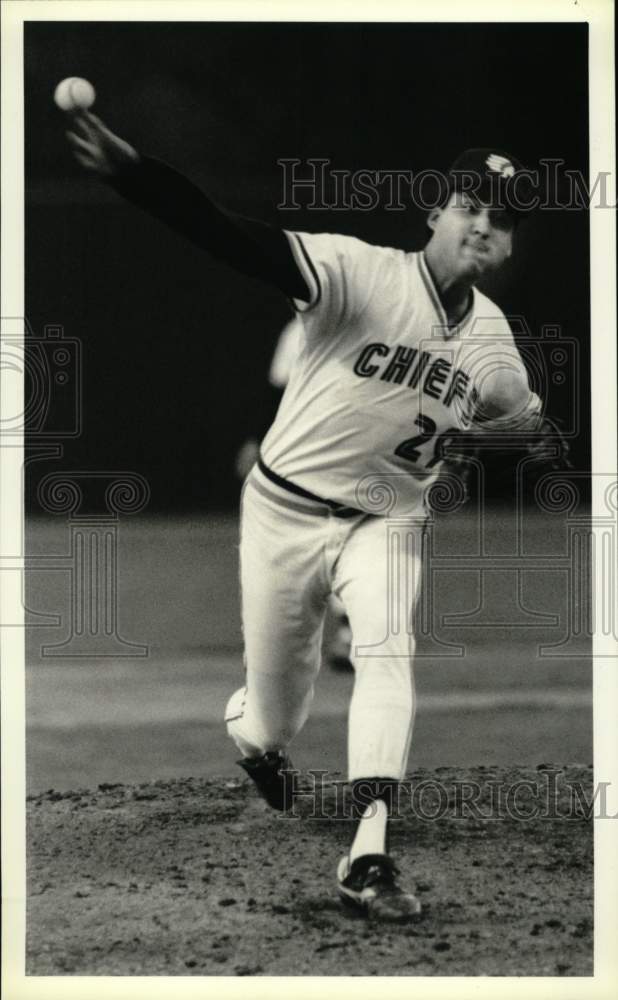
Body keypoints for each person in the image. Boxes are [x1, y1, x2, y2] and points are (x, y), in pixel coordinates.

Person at [65, 111, 565, 922]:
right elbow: (230, 236)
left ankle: (370, 851)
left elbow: (523, 427)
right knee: (272, 716)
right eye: (471, 203)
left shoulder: (498, 351)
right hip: (283, 514)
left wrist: (512, 441)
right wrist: (135, 174)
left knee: (386, 648)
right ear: (435, 212)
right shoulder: (356, 272)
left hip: (388, 522)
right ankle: (255, 743)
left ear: (507, 247)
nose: (484, 224)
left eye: (502, 218)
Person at [235, 314, 354, 673]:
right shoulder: (300, 327)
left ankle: (347, 634)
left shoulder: (361, 322)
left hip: (343, 449)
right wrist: (258, 440)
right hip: (306, 451)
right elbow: (278, 392)